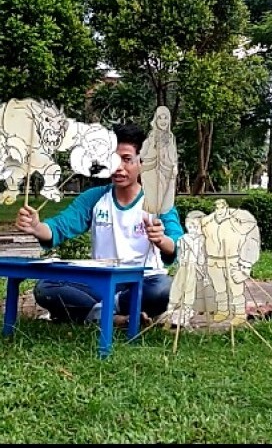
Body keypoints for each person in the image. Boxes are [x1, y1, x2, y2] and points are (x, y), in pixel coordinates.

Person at [15, 123, 184, 325]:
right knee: (47, 288)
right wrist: (36, 227)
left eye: (127, 159)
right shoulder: (95, 198)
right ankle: (115, 318)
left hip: (143, 281)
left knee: (165, 290)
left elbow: (177, 243)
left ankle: (94, 314)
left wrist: (162, 240)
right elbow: (59, 226)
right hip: (100, 281)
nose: (118, 167)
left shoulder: (158, 201)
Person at [200, 199, 260, 326]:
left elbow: (251, 240)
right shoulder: (208, 222)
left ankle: (239, 313)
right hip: (214, 260)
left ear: (226, 207)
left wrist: (245, 266)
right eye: (216, 207)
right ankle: (222, 310)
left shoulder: (238, 220)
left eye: (222, 207)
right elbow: (202, 242)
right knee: (219, 288)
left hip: (232, 260)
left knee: (236, 288)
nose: (219, 210)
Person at [164, 210, 208, 327]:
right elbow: (178, 256)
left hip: (196, 271)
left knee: (193, 296)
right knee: (177, 294)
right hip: (184, 270)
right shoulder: (183, 239)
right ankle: (169, 319)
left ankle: (186, 318)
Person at [139, 106, 178, 215]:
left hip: (166, 173)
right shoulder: (151, 137)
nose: (163, 121)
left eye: (165, 118)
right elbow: (142, 154)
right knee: (151, 204)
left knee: (165, 205)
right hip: (150, 172)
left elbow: (173, 157)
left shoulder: (170, 138)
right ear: (156, 120)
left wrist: (174, 167)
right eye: (160, 118)